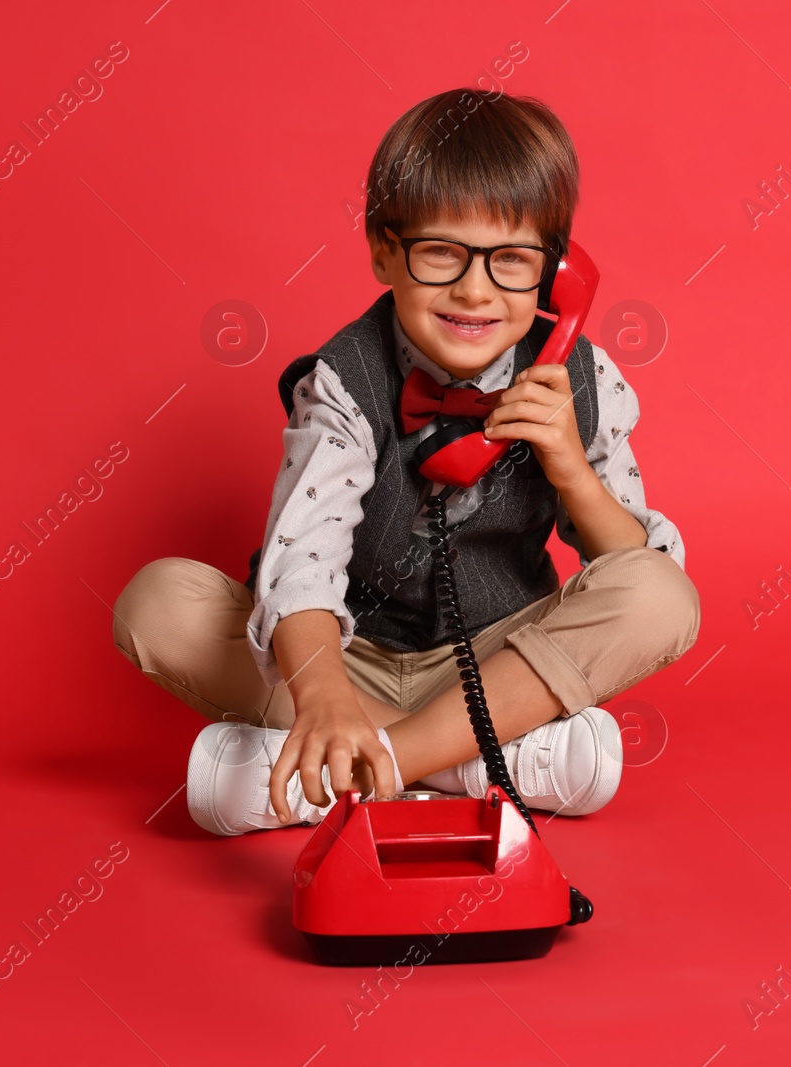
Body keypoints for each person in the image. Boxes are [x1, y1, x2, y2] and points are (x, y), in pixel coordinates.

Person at [112, 88, 699, 836]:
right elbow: (304, 559)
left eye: (511, 260)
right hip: (345, 655)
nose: (475, 288)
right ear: (385, 252)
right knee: (158, 602)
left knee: (661, 590)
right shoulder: (343, 380)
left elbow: (631, 571)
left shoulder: (586, 380)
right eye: (441, 252)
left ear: (555, 274)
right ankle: (472, 765)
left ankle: (363, 768)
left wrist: (571, 465)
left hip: (497, 662)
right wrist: (322, 691)